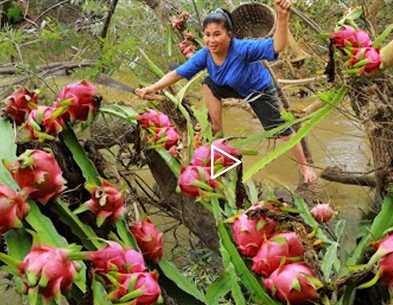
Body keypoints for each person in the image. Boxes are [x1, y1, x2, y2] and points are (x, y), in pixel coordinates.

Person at [136, 0, 317, 183]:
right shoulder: (205, 54)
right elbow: (177, 73)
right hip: (231, 87)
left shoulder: (243, 49)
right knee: (208, 83)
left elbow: (277, 46)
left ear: (229, 35)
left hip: (258, 90)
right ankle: (218, 138)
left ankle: (305, 167)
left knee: (282, 132)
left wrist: (283, 17)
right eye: (207, 35)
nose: (211, 40)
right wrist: (151, 88)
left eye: (217, 34)